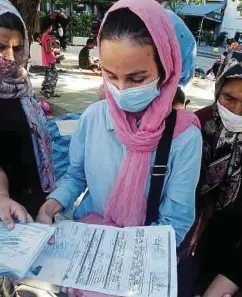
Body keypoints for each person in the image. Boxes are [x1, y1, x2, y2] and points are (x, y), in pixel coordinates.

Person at [37, 0, 202, 295]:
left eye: (137, 78)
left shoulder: (183, 135)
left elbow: (175, 219)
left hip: (139, 265)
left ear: (166, 70)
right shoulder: (94, 117)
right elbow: (76, 176)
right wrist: (53, 204)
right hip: (85, 246)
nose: (121, 90)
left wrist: (125, 264)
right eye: (110, 76)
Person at [184, 50, 242, 297]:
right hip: (187, 233)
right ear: (217, 90)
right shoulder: (194, 126)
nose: (238, 110)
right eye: (229, 98)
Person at [0, 0, 55, 225]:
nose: (11, 57)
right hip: (6, 208)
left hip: (33, 196)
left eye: (18, 47)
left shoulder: (22, 86)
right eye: (1, 47)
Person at [40, 18, 59, 98]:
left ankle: (45, 89)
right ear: (49, 26)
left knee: (48, 75)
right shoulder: (47, 36)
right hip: (50, 60)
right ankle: (49, 91)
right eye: (51, 25)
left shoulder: (44, 35)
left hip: (46, 60)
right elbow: (48, 49)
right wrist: (55, 50)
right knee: (54, 75)